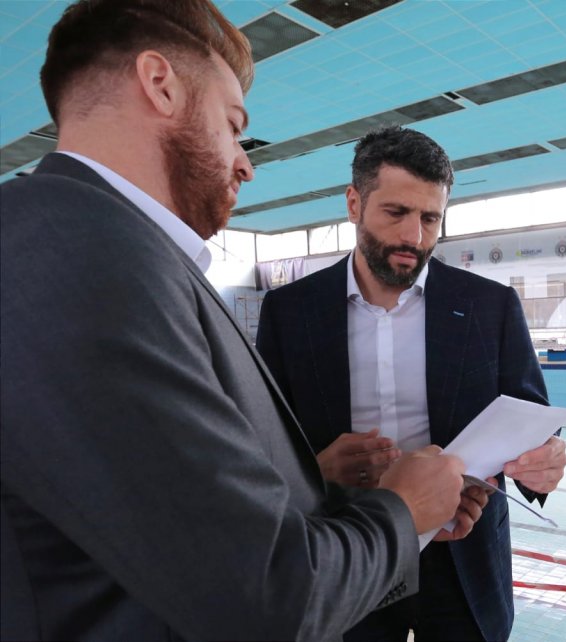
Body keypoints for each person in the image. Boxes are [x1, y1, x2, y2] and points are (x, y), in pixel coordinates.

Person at [0, 3, 467, 640]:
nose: (246, 163)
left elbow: (171, 516)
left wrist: (341, 493)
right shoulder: (82, 258)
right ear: (160, 84)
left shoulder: (98, 246)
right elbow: (263, 597)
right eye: (231, 125)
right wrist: (404, 511)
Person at [256, 125, 566, 641]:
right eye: (396, 213)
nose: (413, 237)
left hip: (462, 552)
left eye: (430, 218)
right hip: (350, 547)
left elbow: (531, 419)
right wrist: (318, 470)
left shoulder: (488, 306)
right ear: (354, 203)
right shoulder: (291, 312)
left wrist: (544, 462)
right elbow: (263, 442)